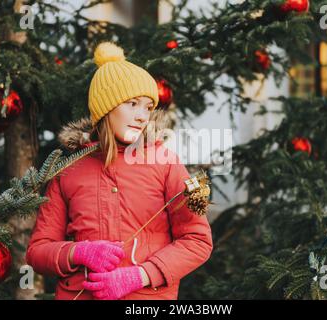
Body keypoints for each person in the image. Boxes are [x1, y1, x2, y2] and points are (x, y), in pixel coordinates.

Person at [26, 42, 213, 300]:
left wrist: (139, 276)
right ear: (105, 109)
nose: (141, 116)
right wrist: (79, 252)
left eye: (148, 107)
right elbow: (37, 251)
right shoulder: (69, 170)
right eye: (132, 103)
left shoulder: (165, 162)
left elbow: (197, 241)